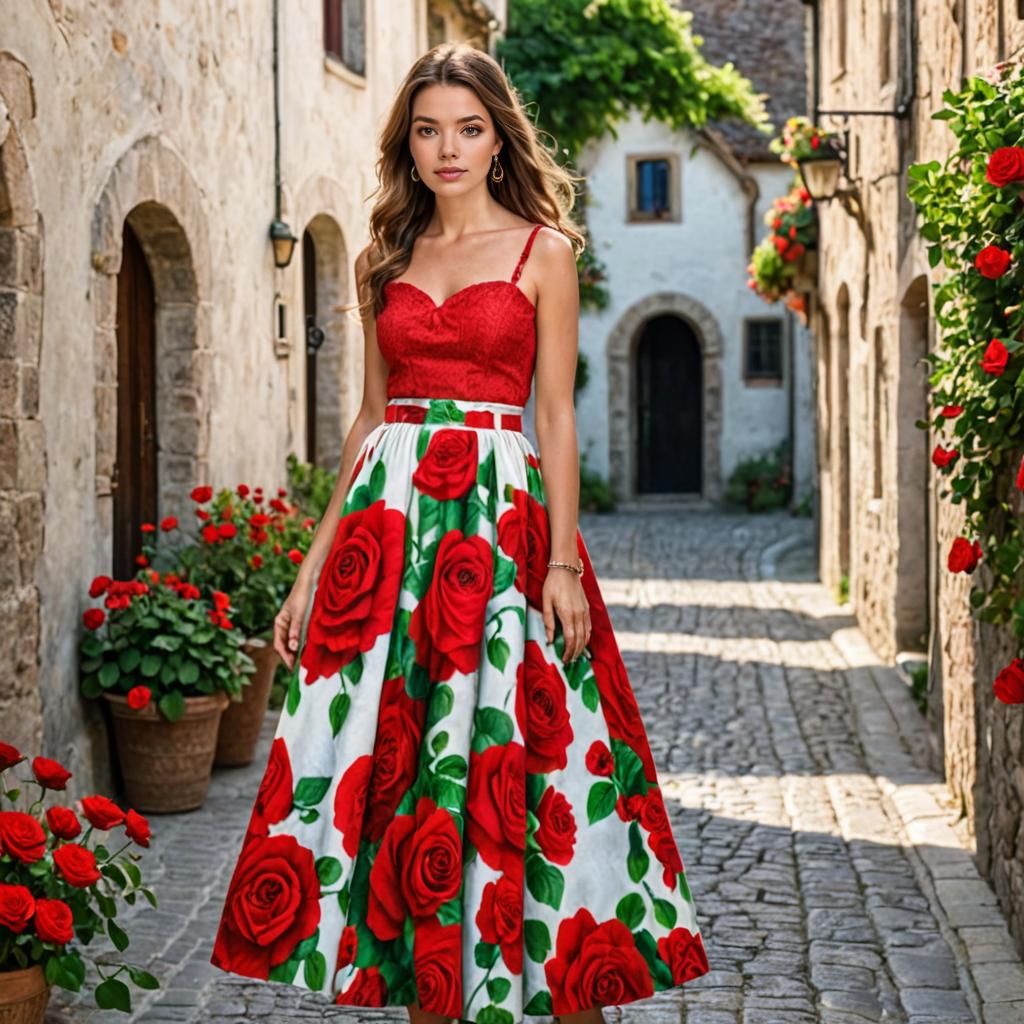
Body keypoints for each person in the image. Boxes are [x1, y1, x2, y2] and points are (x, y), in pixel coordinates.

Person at [209, 41, 709, 1024]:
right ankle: (430, 984)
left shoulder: (543, 252)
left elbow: (556, 415)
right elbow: (365, 416)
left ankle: (561, 976)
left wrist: (561, 561)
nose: (448, 149)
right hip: (388, 536)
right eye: (429, 130)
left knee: (527, 756)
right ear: (409, 141)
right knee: (399, 768)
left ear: (496, 138)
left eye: (468, 129)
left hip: (501, 527)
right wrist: (312, 568)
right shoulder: (380, 258)